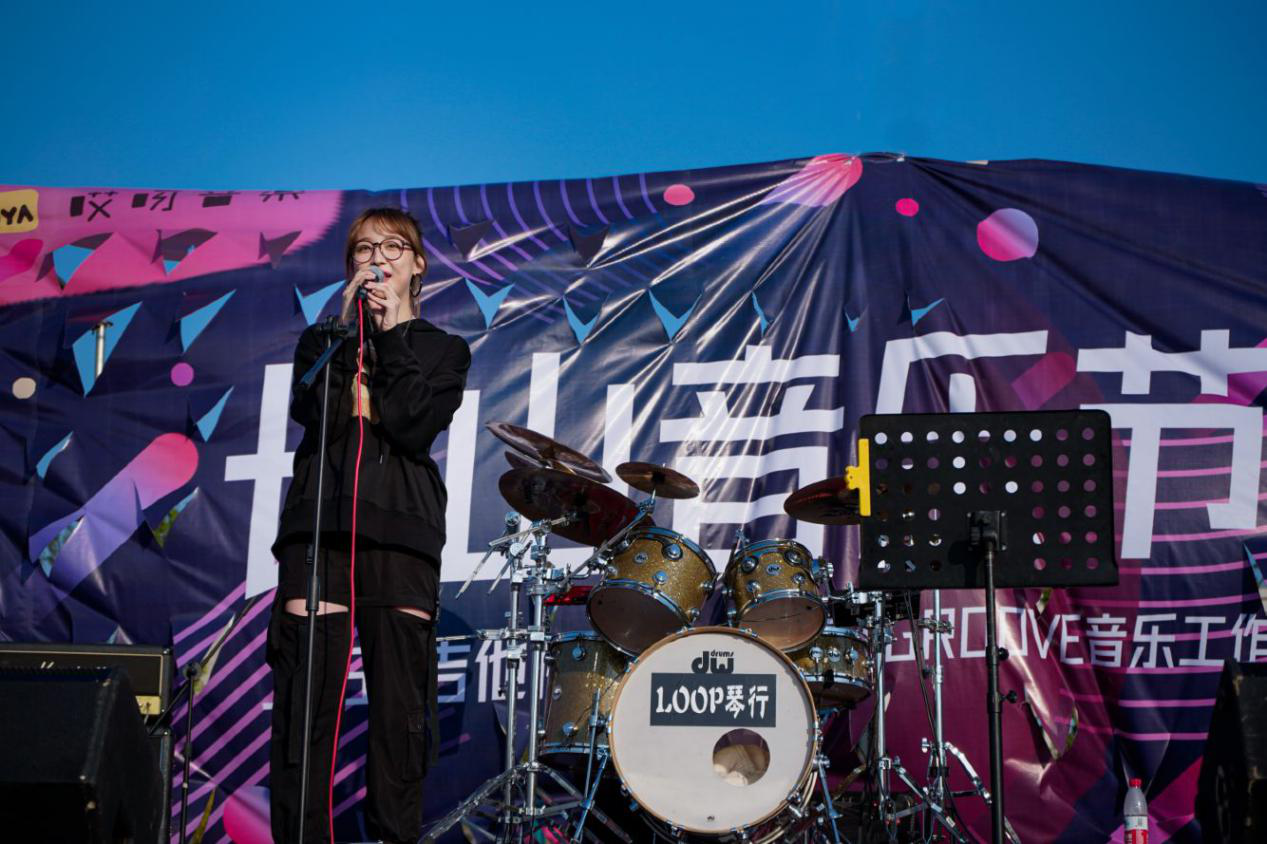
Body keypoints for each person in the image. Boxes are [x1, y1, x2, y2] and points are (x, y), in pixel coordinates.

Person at [266, 207, 471, 843]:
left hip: (403, 537)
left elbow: (411, 424)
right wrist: (347, 329)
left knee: (399, 714)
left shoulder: (444, 350)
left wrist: (391, 333)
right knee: (304, 707)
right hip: (320, 532)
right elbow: (318, 413)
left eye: (391, 247)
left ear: (418, 264)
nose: (376, 258)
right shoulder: (322, 342)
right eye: (362, 249)